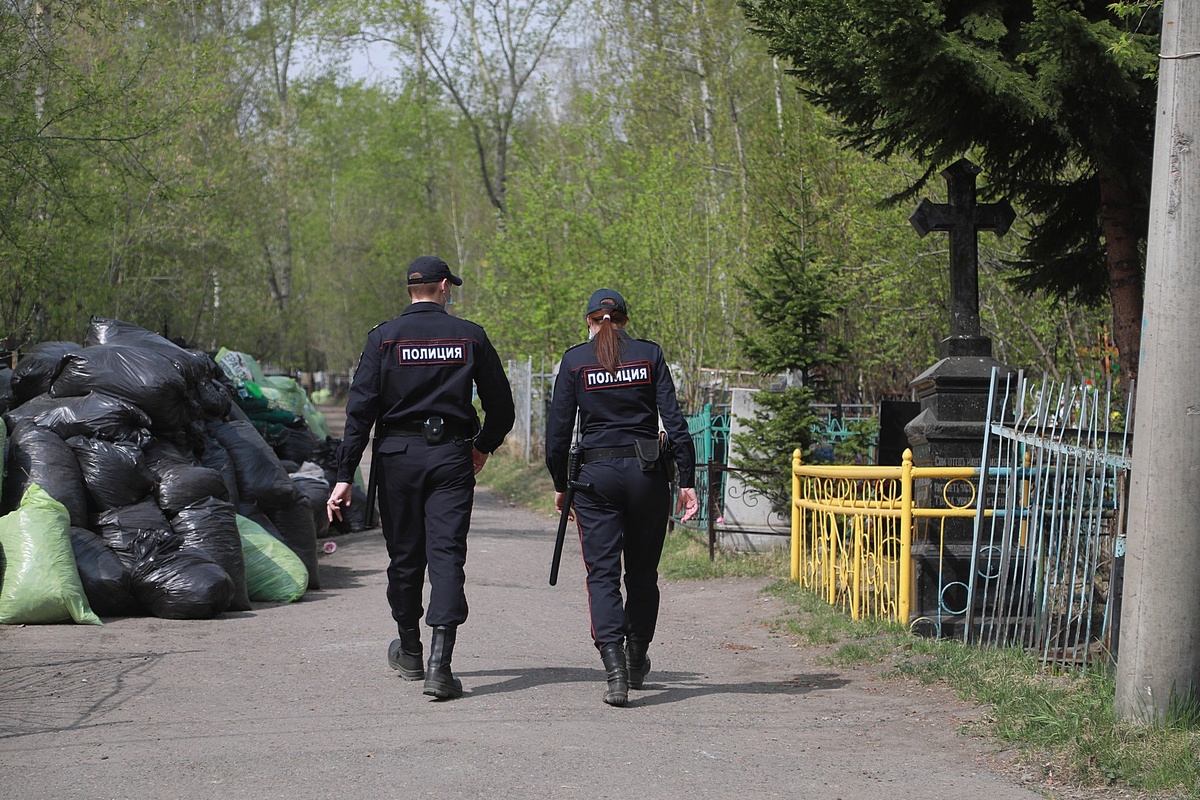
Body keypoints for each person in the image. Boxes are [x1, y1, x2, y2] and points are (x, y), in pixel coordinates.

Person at [328, 255, 515, 700]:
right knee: (447, 556)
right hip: (452, 457)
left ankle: (410, 650)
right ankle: (440, 665)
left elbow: (359, 414)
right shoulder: (470, 337)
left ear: (410, 290)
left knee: (405, 557)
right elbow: (502, 408)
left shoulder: (383, 339)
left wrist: (343, 475)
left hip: (397, 458)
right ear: (445, 287)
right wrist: (482, 446)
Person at [545, 288, 698, 707]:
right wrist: (687, 479)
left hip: (596, 479)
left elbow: (558, 433)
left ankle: (614, 667)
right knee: (643, 573)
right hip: (647, 475)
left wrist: (562, 483)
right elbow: (675, 421)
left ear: (589, 321)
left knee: (603, 573)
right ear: (625, 320)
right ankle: (636, 655)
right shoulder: (649, 355)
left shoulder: (576, 361)